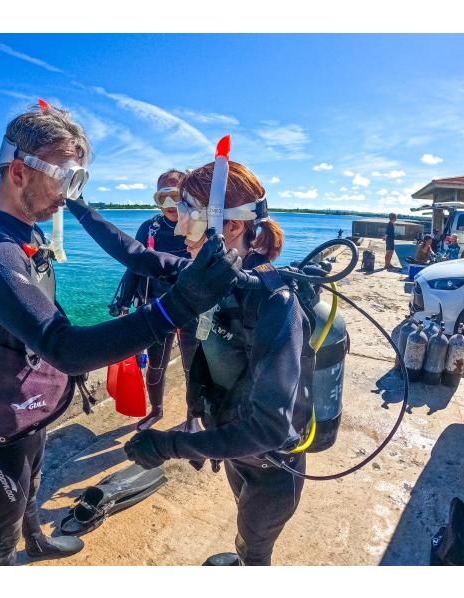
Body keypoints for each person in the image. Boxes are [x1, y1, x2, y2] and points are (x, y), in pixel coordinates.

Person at [0, 102, 241, 566]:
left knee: (32, 484)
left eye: (78, 181)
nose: (69, 195)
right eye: (65, 178)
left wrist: (196, 272)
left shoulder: (23, 236)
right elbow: (66, 348)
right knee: (2, 519)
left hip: (26, 405)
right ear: (19, 172)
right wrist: (179, 305)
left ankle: (36, 542)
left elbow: (138, 256)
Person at [66, 159, 315, 566]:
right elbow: (137, 255)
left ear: (231, 226)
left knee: (255, 546)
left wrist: (170, 446)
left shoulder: (276, 304)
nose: (180, 230)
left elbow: (270, 429)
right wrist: (77, 204)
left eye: (188, 216)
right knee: (243, 530)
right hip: (233, 448)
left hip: (272, 468)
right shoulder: (211, 278)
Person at [110, 169, 198, 430]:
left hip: (192, 307)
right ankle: (156, 411)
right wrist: (123, 302)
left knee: (193, 367)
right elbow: (134, 265)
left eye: (175, 196)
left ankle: (193, 418)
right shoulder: (150, 228)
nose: (169, 204)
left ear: (187, 196)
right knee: (156, 365)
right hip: (158, 306)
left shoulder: (200, 226)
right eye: (162, 197)